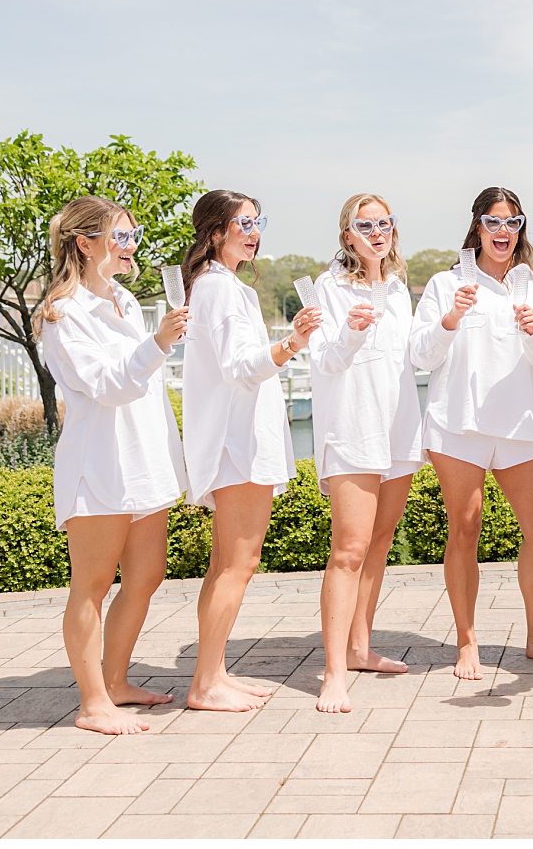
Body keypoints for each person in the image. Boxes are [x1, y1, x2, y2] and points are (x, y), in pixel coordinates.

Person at [409, 186, 533, 681]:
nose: (503, 232)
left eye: (513, 222)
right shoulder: (446, 284)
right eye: (494, 222)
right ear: (477, 227)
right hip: (457, 424)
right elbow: (420, 356)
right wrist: (450, 319)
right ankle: (467, 642)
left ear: (521, 228)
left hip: (519, 426)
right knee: (465, 528)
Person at [36, 196, 188, 735]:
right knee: (92, 584)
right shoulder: (64, 313)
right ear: (86, 242)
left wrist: (157, 342)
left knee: (147, 575)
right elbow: (108, 385)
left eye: (134, 236)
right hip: (99, 466)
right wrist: (160, 343)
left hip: (141, 461)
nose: (131, 247)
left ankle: (117, 680)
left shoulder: (124, 300)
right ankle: (92, 702)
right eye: (120, 237)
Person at [181, 190, 321, 712]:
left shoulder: (224, 287)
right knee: (238, 564)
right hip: (236, 444)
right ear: (216, 231)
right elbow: (240, 366)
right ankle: (204, 684)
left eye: (258, 221)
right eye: (243, 222)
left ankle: (212, 672)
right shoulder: (220, 290)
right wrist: (293, 344)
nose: (254, 230)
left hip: (237, 440)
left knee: (225, 564)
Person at [310, 194, 423, 713]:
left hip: (397, 428)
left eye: (385, 223)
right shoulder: (329, 288)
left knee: (379, 541)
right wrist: (353, 332)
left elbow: (411, 357)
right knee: (349, 550)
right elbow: (326, 362)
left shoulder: (398, 289)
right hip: (353, 427)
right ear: (347, 235)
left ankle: (360, 648)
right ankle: (334, 672)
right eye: (365, 225)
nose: (377, 232)